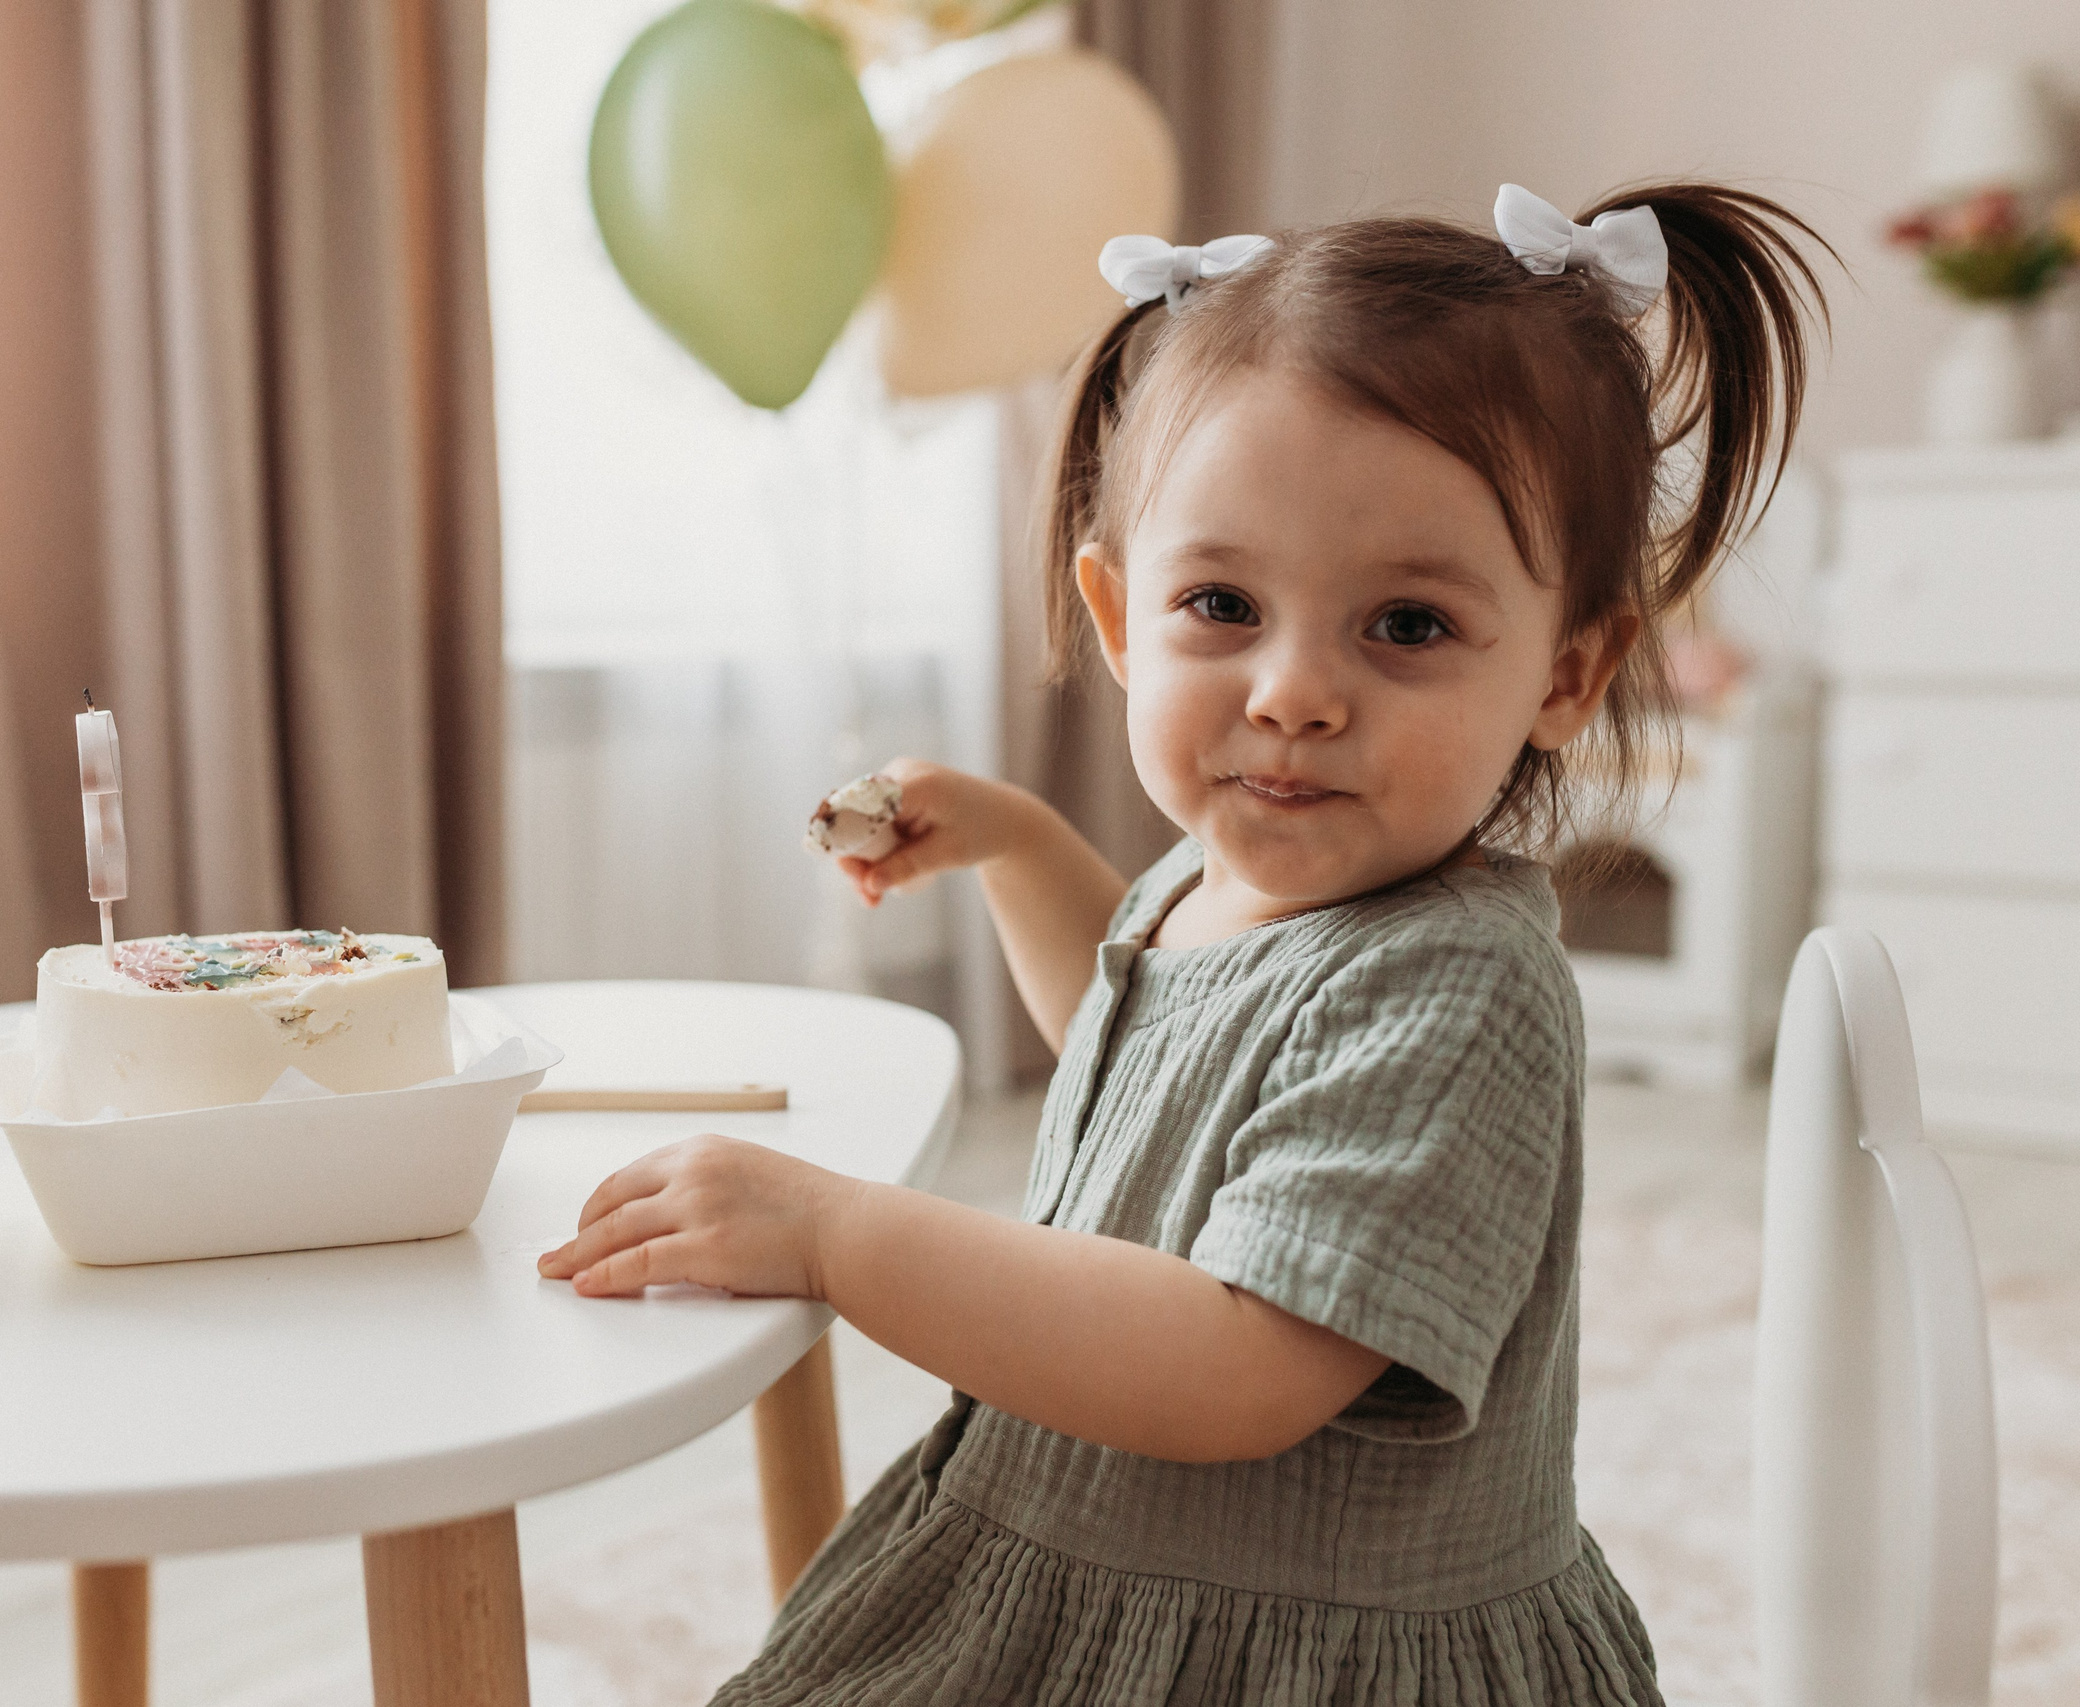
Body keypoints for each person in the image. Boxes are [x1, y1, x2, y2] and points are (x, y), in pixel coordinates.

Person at [539, 181, 1825, 1705]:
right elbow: (1137, 1024)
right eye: (1222, 603)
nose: (1293, 691)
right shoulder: (1213, 876)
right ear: (1119, 615)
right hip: (1079, 1561)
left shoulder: (1462, 987)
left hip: (1298, 1654)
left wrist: (841, 1234)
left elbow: (1238, 1362)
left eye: (1405, 626)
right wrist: (1017, 843)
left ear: (1568, 671)